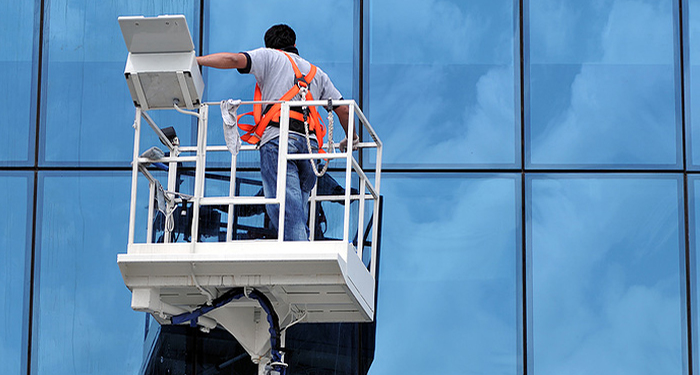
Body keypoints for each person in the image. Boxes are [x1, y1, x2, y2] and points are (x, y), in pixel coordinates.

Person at [197, 24, 358, 241]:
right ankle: (302, 245)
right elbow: (344, 110)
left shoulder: (269, 57)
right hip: (310, 149)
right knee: (298, 209)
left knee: (284, 210)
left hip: (279, 140)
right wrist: (352, 138)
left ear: (270, 45)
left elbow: (235, 60)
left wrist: (196, 61)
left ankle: (299, 253)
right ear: (294, 44)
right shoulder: (316, 73)